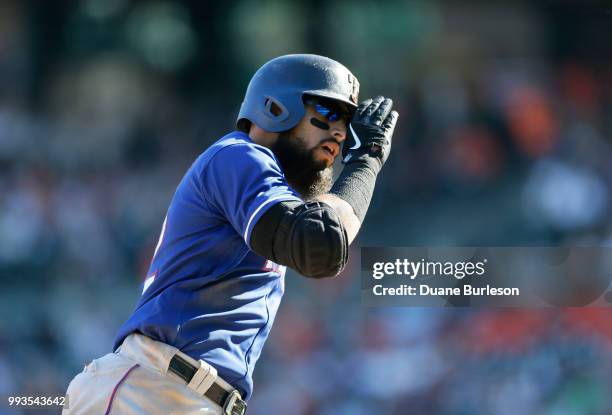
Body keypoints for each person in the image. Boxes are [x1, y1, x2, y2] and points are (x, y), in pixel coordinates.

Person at [62, 54, 398, 415]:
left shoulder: (262, 185)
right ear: (274, 106)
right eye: (331, 112)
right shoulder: (240, 155)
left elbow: (323, 247)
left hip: (181, 394)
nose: (341, 133)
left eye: (347, 121)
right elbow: (319, 245)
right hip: (153, 388)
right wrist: (366, 162)